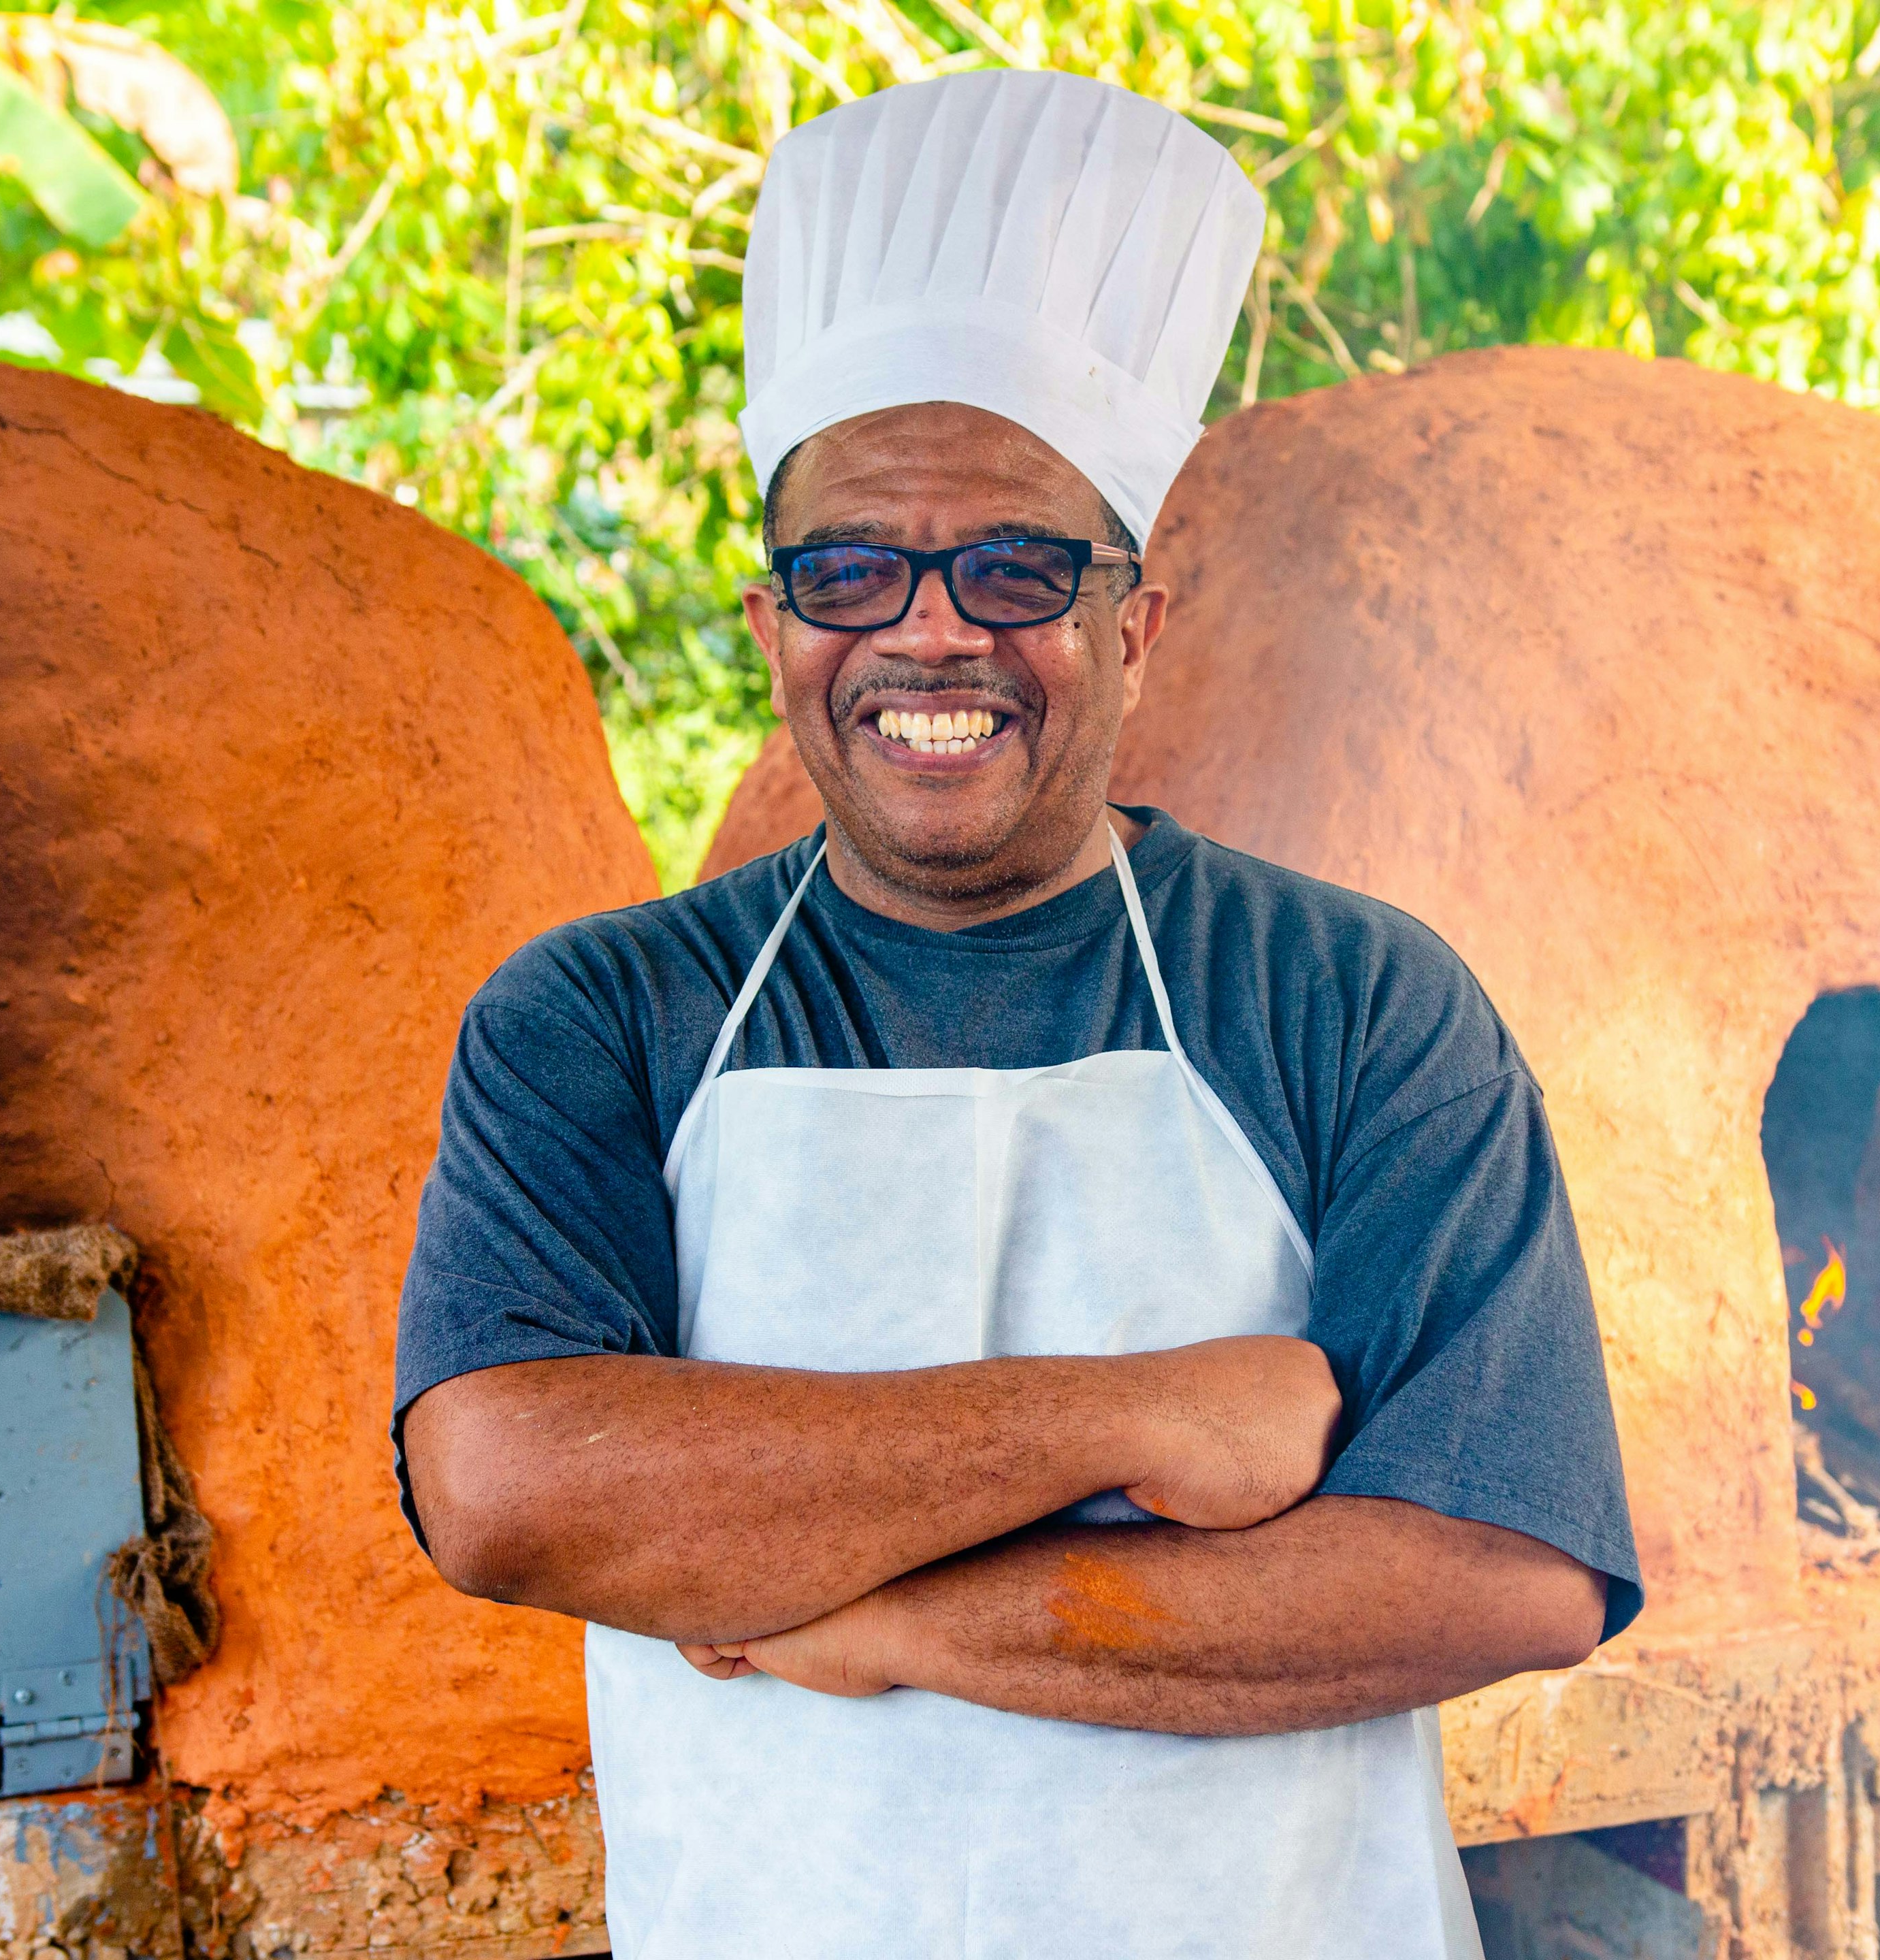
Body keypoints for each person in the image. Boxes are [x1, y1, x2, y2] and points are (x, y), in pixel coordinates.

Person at [395, 68, 1641, 1959]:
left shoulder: (1352, 1001)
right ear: (772, 627)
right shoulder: (601, 1018)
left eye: (1015, 568)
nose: (932, 632)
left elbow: (1499, 1569)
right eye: (851, 571)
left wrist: (888, 1622)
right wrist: (1142, 1414)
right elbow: (507, 1488)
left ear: (1129, 625)